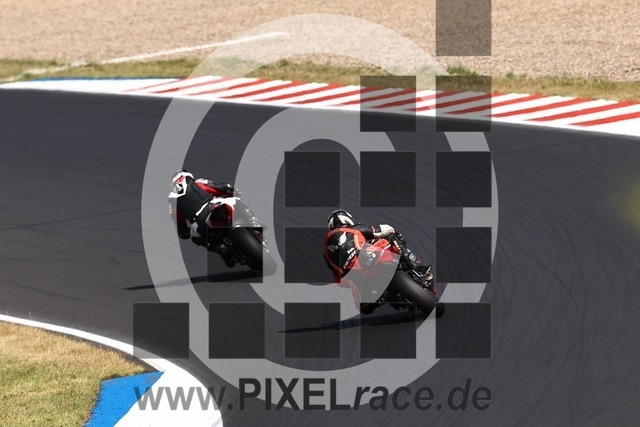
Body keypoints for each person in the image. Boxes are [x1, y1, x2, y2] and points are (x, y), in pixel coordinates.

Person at [323, 209, 434, 313]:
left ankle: (387, 296)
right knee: (391, 235)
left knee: (364, 308)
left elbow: (339, 281)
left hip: (357, 279)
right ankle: (414, 263)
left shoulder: (326, 253)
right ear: (347, 219)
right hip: (370, 259)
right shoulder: (354, 228)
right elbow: (383, 230)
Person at [168, 170, 238, 267]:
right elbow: (223, 187)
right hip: (213, 207)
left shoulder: (172, 203)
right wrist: (233, 192)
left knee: (195, 237)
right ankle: (253, 222)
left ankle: (220, 248)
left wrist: (187, 233)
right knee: (236, 201)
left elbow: (181, 231)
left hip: (199, 223)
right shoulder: (198, 183)